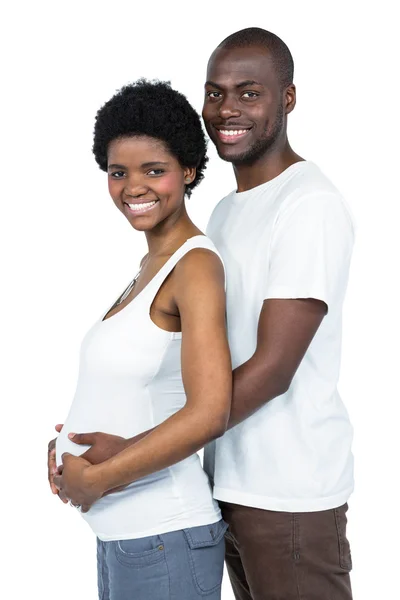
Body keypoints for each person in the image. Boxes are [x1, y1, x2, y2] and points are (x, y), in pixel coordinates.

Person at [50, 79, 232, 600]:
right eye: (118, 172)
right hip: (127, 538)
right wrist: (65, 453)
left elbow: (210, 410)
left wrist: (99, 478)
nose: (134, 186)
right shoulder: (149, 266)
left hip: (164, 536)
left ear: (190, 171)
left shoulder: (195, 265)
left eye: (155, 170)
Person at [201, 27, 355, 600]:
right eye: (216, 93)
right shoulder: (224, 212)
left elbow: (272, 368)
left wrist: (153, 446)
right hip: (227, 488)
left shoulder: (308, 203)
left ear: (287, 99)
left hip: (290, 501)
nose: (227, 109)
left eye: (248, 92)